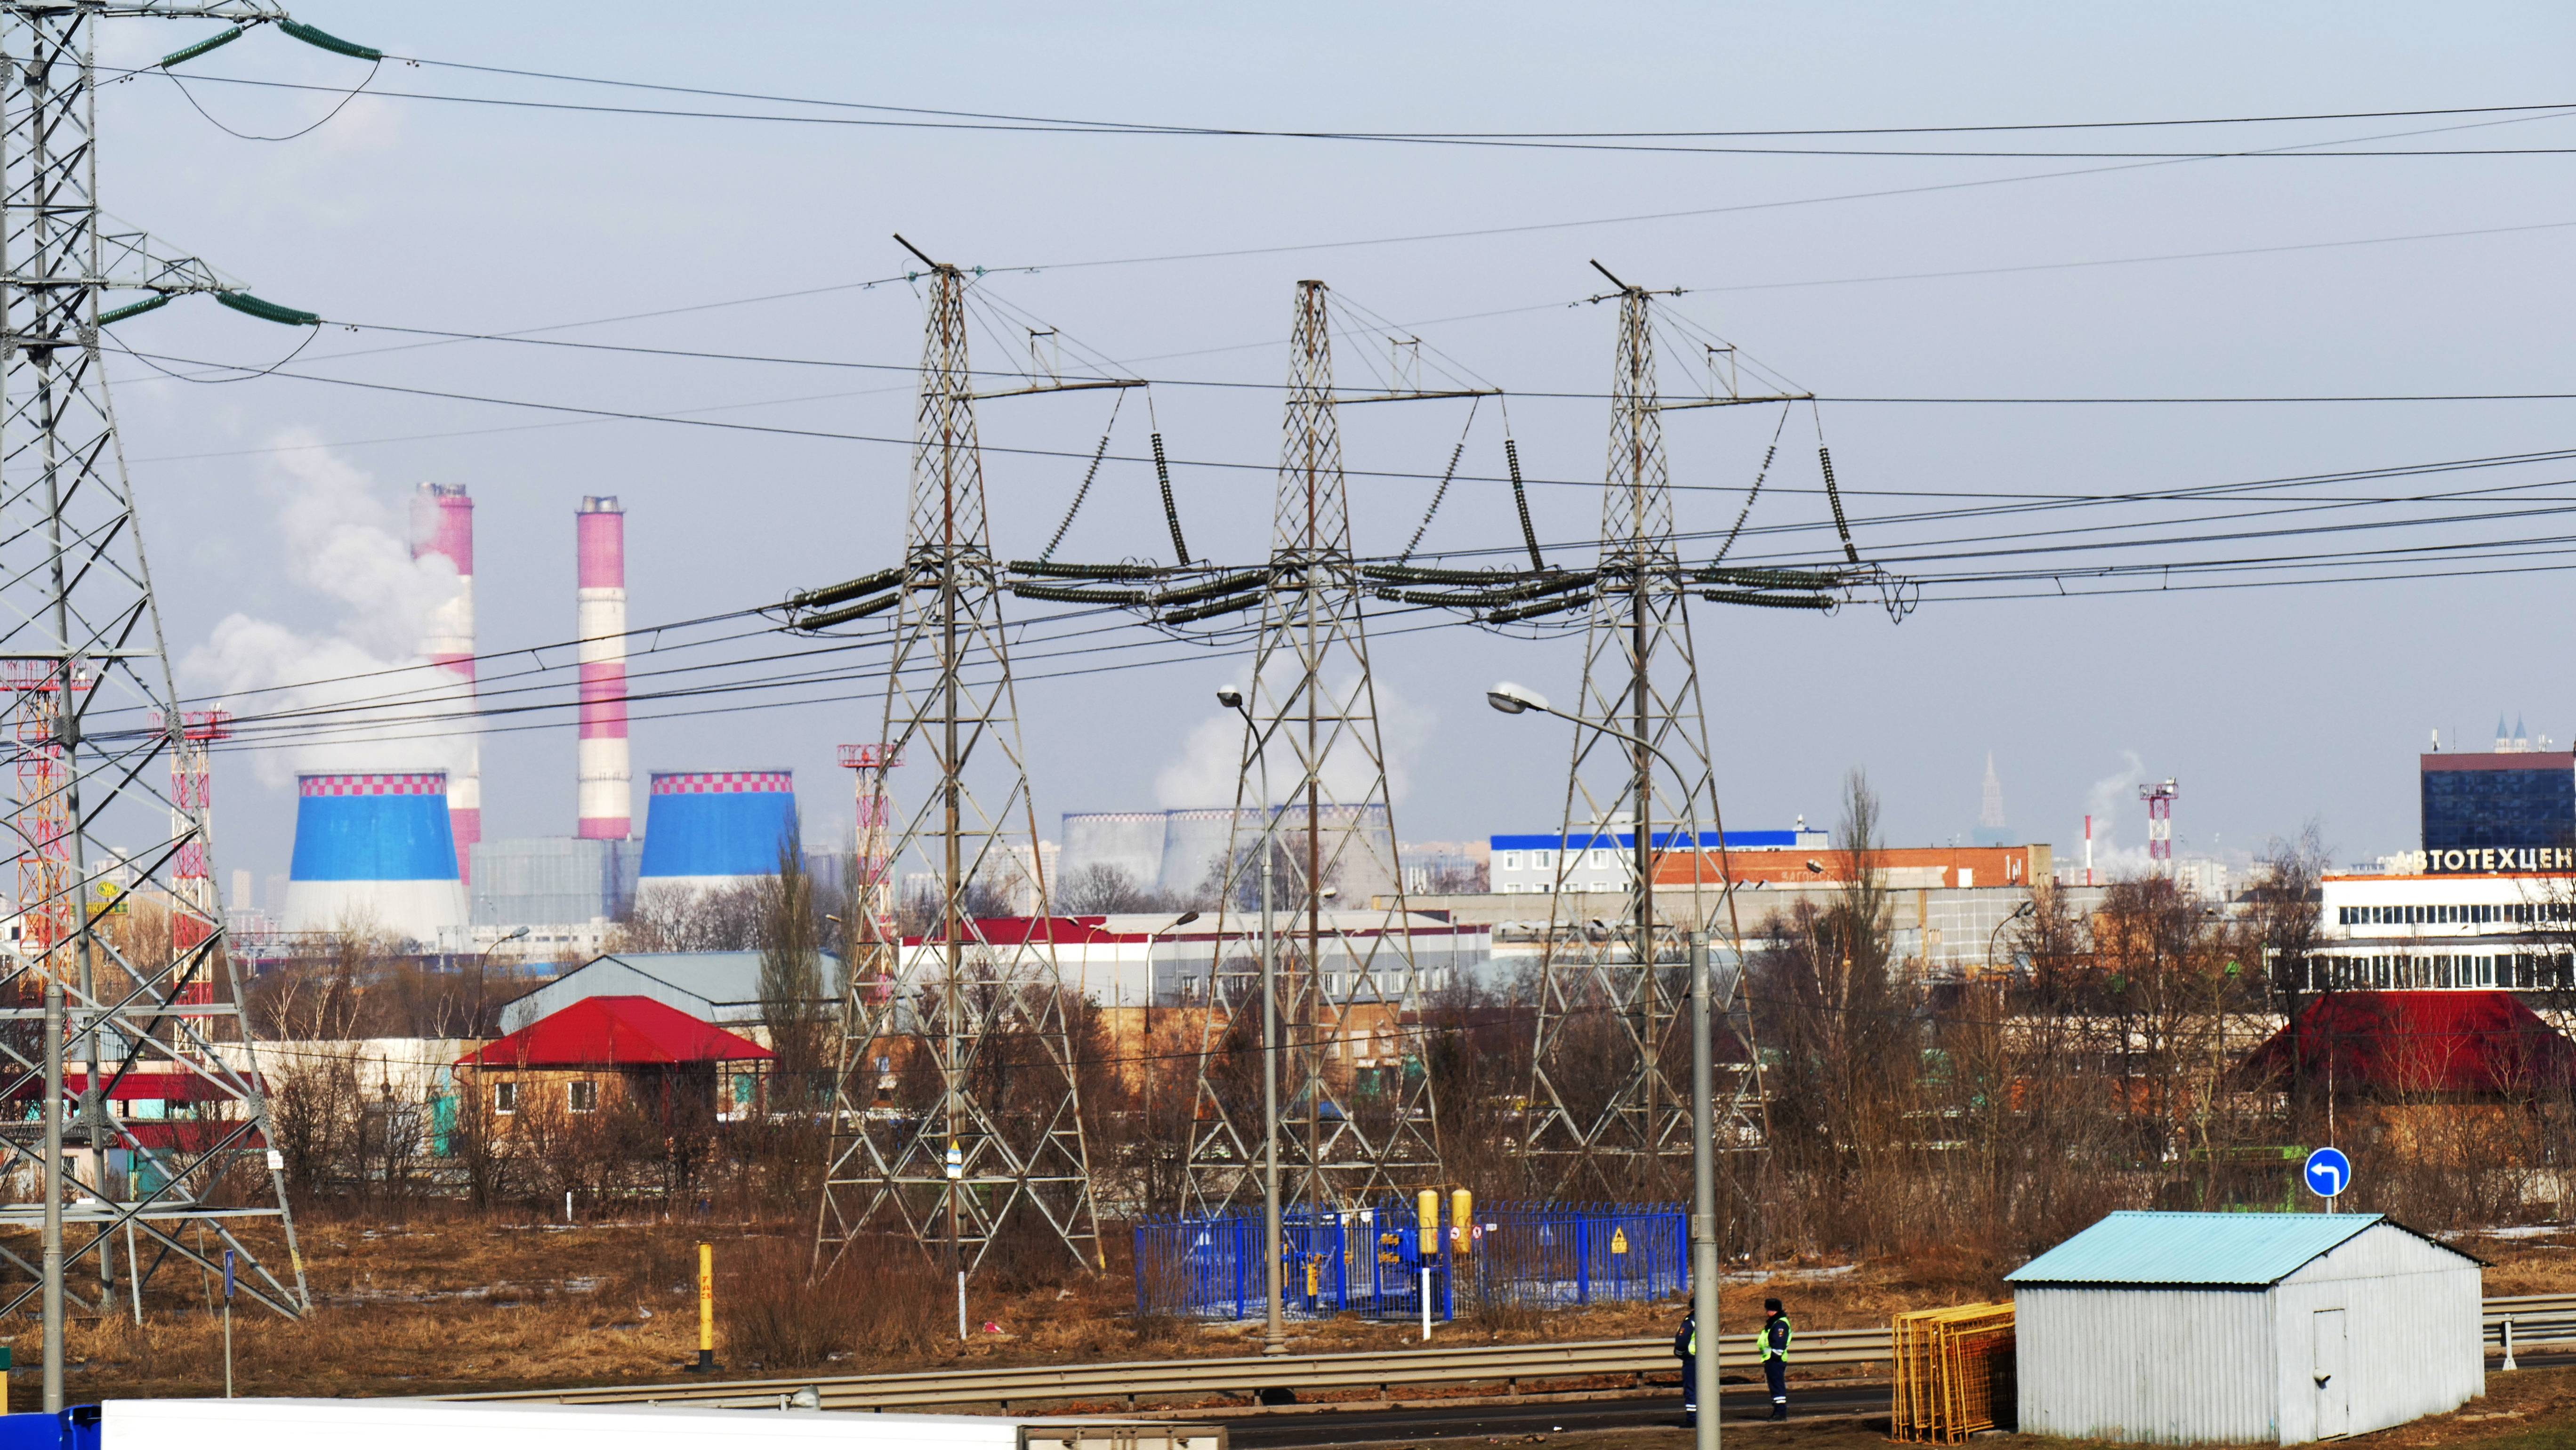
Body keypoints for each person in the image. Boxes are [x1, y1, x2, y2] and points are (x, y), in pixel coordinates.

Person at [1756, 1297, 1794, 1420]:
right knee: (1774, 1385)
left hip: (1775, 1360)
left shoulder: (1780, 1324)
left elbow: (1780, 1341)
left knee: (1777, 1385)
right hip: (1772, 1359)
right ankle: (1778, 1411)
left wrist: (1776, 1355)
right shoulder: (1775, 1322)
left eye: (1768, 1310)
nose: (1767, 1312)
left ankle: (1780, 1412)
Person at [1673, 1307, 1698, 1426]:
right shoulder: (1710, 1319)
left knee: (1691, 1389)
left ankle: (1693, 1419)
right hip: (1708, 1361)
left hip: (1692, 1360)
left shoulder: (1690, 1322)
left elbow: (1682, 1342)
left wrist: (1680, 1353)